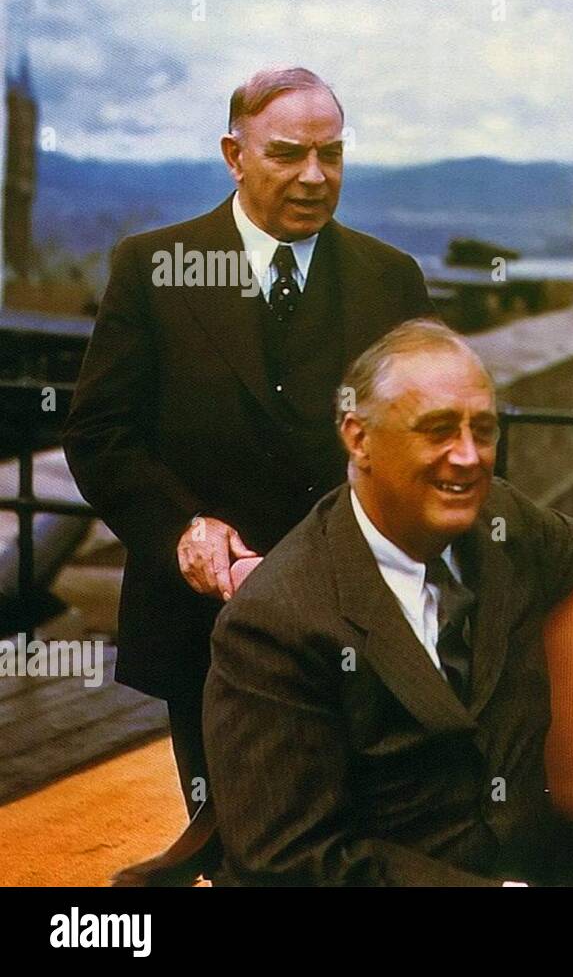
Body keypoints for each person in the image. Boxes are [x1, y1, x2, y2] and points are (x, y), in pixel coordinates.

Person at [202, 320, 573, 885]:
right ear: (358, 437)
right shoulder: (275, 623)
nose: (468, 458)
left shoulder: (500, 524)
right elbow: (285, 860)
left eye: (483, 431)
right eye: (437, 430)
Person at [62, 67, 431, 816]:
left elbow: (425, 441)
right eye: (288, 154)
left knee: (358, 839)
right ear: (234, 155)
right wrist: (182, 530)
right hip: (203, 630)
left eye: (331, 154)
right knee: (229, 844)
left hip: (360, 632)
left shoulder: (391, 280)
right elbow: (101, 434)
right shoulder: (152, 266)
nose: (314, 176)